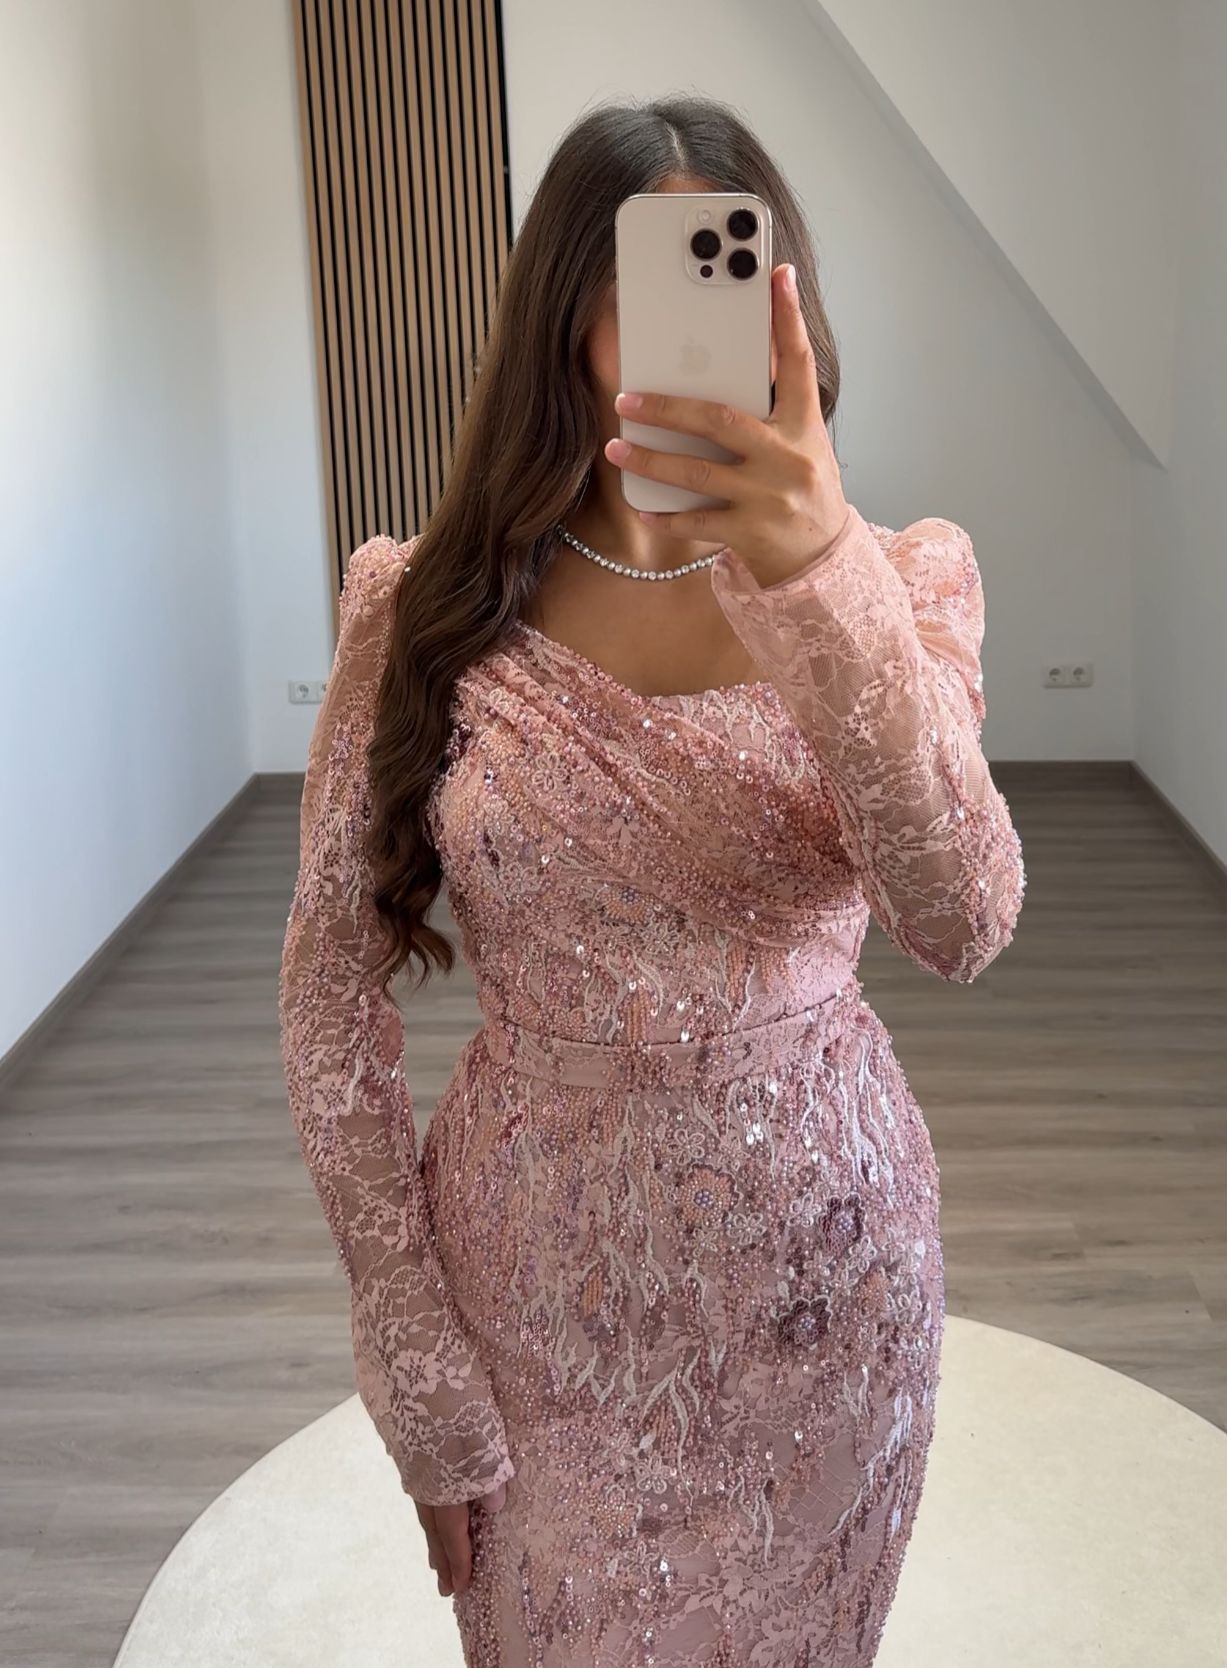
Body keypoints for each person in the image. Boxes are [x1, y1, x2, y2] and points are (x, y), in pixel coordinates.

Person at [278, 94, 1025, 1668]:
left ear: (790, 305)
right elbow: (328, 1006)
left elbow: (964, 918)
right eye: (650, 275)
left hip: (826, 1287)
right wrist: (413, 1359)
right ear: (565, 309)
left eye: (734, 270)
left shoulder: (902, 584)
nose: (701, 321)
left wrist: (818, 578)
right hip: (538, 1305)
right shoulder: (422, 609)